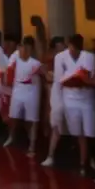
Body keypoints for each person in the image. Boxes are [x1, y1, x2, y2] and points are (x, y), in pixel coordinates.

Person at [60, 34, 95, 176]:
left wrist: (76, 80)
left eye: (70, 46)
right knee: (78, 133)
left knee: (90, 132)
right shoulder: (64, 58)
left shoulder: (88, 57)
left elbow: (85, 78)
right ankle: (83, 162)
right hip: (71, 99)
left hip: (86, 100)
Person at [5, 36, 42, 152]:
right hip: (18, 88)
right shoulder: (16, 55)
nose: (24, 49)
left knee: (32, 119)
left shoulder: (36, 59)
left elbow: (42, 70)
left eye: (27, 46)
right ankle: (11, 136)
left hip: (32, 90)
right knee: (13, 116)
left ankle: (32, 145)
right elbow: (9, 68)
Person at [41, 36, 68, 168]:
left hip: (68, 96)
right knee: (54, 125)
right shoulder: (52, 61)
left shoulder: (67, 60)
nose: (60, 49)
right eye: (58, 47)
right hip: (55, 95)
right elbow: (47, 77)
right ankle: (51, 155)